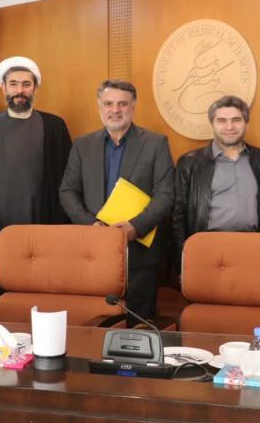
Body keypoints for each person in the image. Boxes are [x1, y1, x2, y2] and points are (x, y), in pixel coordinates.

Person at [0, 56, 72, 308]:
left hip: (40, 224)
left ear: (35, 88)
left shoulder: (54, 127)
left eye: (26, 84)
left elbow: (67, 181)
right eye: (13, 84)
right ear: (3, 87)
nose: (19, 90)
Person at [59, 80, 174, 322]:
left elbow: (165, 194)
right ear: (99, 107)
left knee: (140, 325)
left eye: (122, 104)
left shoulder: (155, 143)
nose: (115, 110)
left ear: (133, 106)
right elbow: (67, 191)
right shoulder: (82, 145)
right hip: (94, 250)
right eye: (108, 104)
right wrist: (92, 225)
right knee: (98, 323)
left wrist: (136, 226)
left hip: (139, 252)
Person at [173, 95, 260, 256]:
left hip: (254, 246)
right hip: (208, 248)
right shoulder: (189, 163)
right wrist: (184, 257)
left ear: (246, 123)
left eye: (236, 120)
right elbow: (178, 216)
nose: (229, 126)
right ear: (212, 124)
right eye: (222, 121)